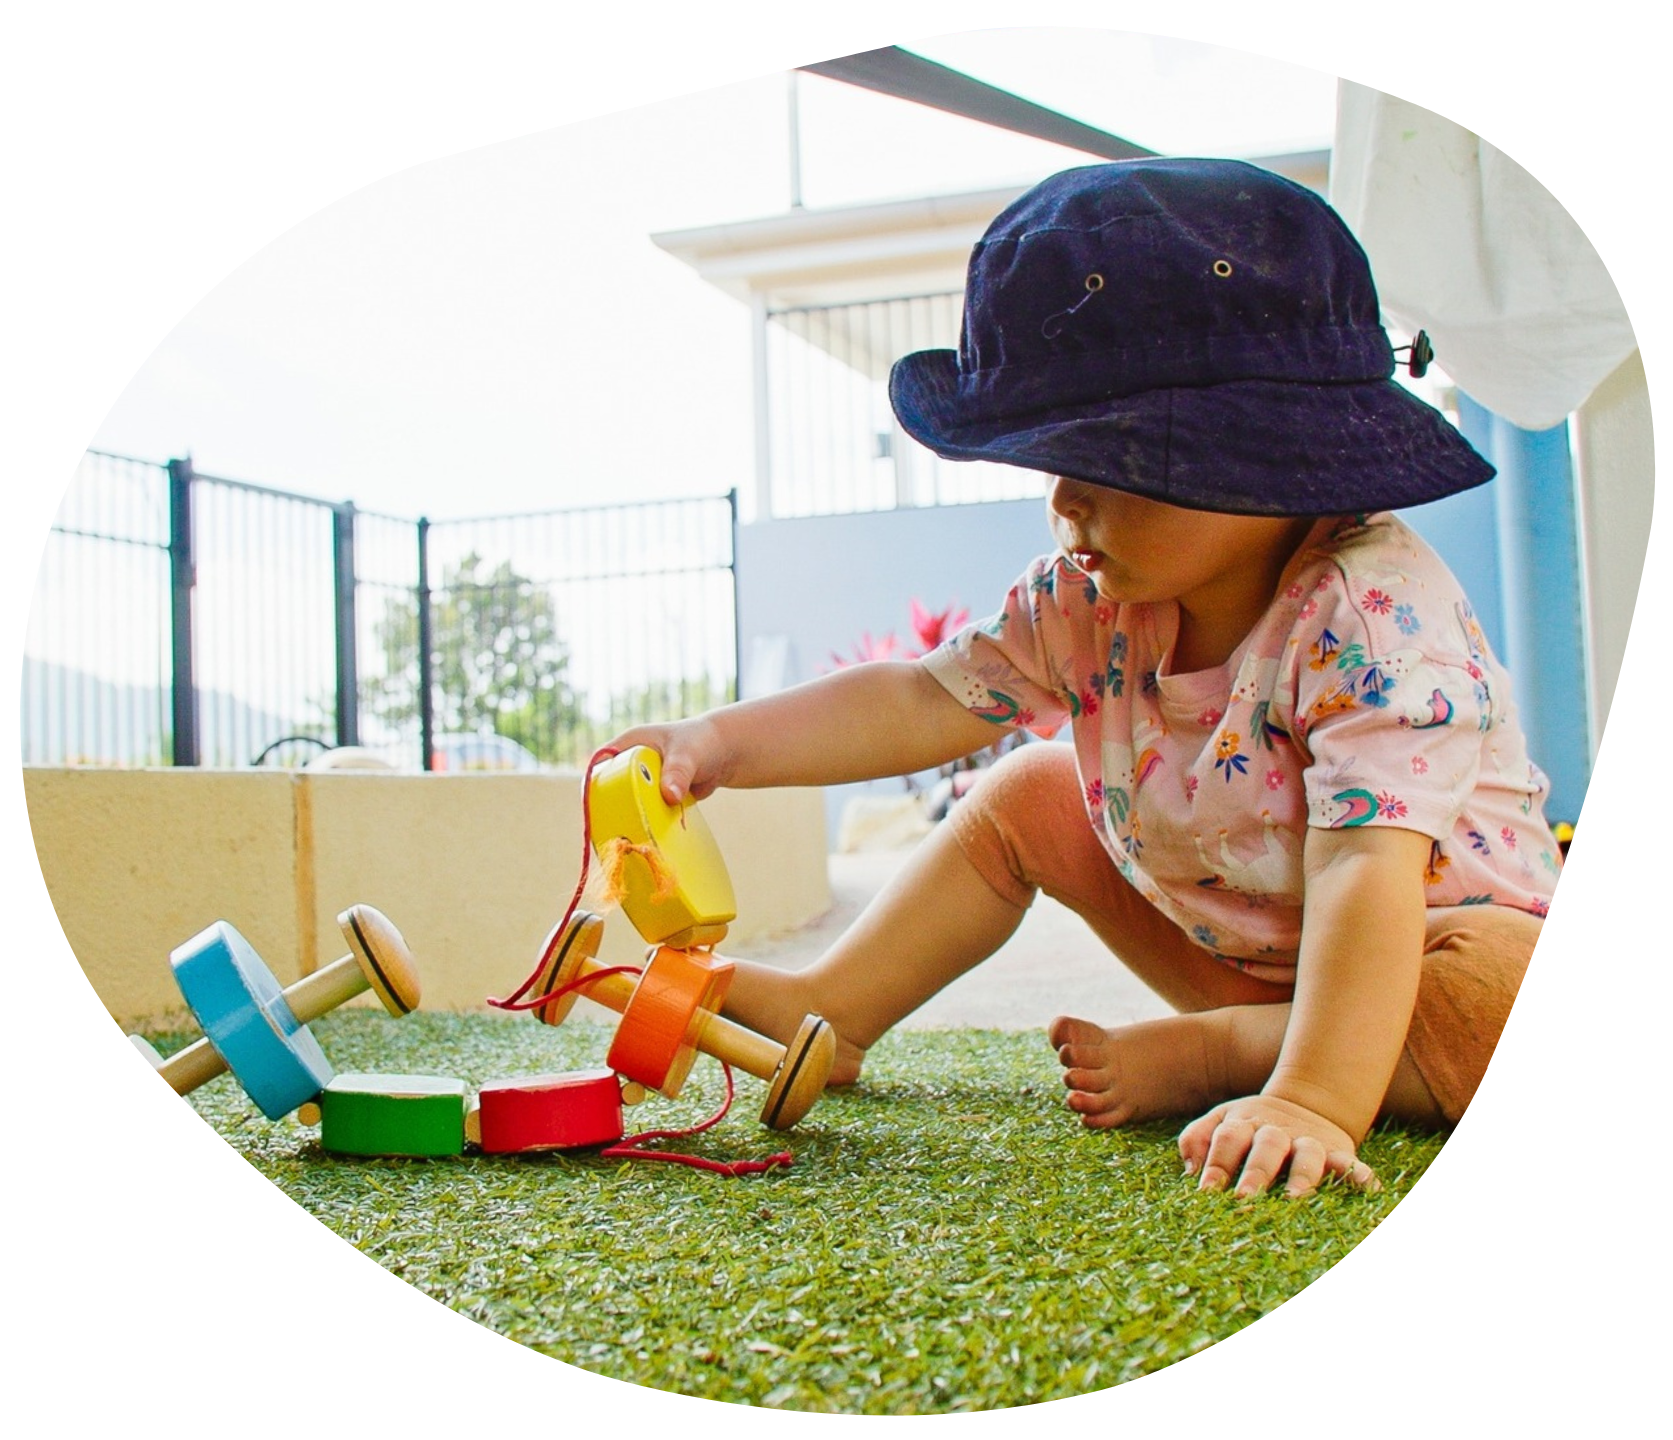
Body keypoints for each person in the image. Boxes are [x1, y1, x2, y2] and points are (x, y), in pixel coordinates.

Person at [608, 158, 1558, 1198]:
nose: (1063, 501)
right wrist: (718, 743)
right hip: (1242, 957)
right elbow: (924, 696)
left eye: (1109, 461)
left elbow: (1359, 874)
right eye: (1047, 461)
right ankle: (833, 1006)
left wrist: (1308, 1100)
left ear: (1270, 454)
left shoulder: (1372, 617)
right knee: (1025, 792)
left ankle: (1236, 1055)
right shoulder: (1086, 598)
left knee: (1499, 997)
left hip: (1422, 957)